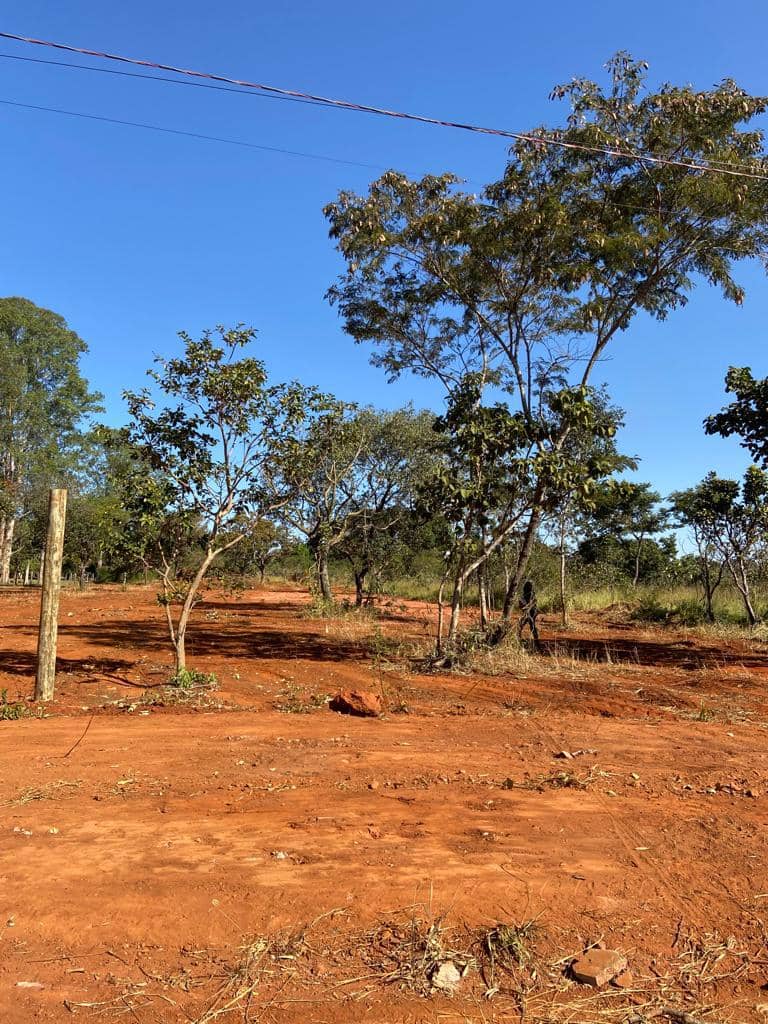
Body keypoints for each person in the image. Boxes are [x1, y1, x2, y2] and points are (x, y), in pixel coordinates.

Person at [518, 580, 539, 646]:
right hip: (529, 611)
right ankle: (536, 641)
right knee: (525, 625)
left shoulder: (531, 593)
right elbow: (521, 604)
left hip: (532, 611)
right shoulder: (525, 594)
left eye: (531, 585)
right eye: (530, 585)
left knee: (531, 625)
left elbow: (532, 602)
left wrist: (526, 607)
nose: (531, 586)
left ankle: (536, 641)